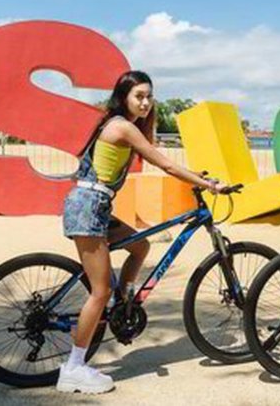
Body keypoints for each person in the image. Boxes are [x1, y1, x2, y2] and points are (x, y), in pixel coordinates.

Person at [57, 70, 227, 394]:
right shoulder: (121, 126)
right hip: (89, 207)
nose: (146, 102)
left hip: (96, 205)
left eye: (149, 96)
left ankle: (125, 302)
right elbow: (165, 164)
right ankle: (73, 368)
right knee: (99, 291)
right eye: (139, 96)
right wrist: (208, 184)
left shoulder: (123, 125)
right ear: (124, 98)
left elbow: (162, 161)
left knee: (140, 247)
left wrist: (194, 175)